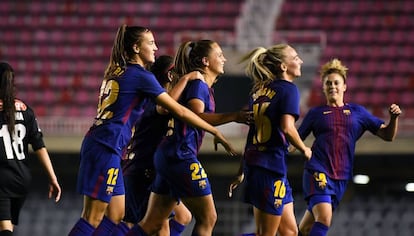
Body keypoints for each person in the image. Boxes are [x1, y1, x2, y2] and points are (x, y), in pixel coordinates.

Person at [68, 25, 236, 236]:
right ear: (136, 48)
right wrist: (215, 130)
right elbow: (179, 112)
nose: (156, 47)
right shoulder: (141, 77)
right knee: (94, 217)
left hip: (108, 146)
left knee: (117, 216)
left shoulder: (118, 70)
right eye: (151, 43)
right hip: (107, 146)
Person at [126, 39, 251, 236]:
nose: (224, 58)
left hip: (168, 155)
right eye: (219, 55)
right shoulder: (198, 84)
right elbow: (196, 116)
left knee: (154, 223)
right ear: (205, 61)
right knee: (208, 218)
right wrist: (233, 117)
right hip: (180, 155)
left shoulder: (200, 84)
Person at [297, 58, 401, 236]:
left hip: (342, 176)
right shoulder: (315, 114)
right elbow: (296, 139)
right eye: (328, 83)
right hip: (318, 171)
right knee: (324, 219)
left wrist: (393, 119)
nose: (332, 86)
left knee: (306, 229)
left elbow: (387, 136)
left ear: (344, 86)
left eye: (336, 83)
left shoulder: (357, 112)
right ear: (323, 88)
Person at [228, 44, 312, 236]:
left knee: (290, 232)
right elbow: (287, 127)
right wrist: (304, 149)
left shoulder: (258, 92)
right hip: (270, 169)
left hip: (262, 167)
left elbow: (252, 135)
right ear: (283, 66)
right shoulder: (288, 90)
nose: (300, 60)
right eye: (296, 57)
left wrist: (242, 170)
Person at [113, 55, 197, 236]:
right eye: (176, 73)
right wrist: (186, 79)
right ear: (169, 75)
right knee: (156, 226)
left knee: (183, 216)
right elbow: (166, 108)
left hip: (149, 169)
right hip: (141, 170)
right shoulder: (155, 98)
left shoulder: (159, 96)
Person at [0, 62, 62, 235]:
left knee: (4, 229)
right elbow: (39, 146)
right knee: (8, 226)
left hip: (2, 178)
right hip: (21, 179)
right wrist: (53, 178)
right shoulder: (26, 110)